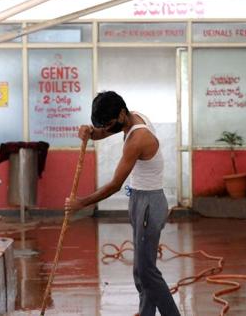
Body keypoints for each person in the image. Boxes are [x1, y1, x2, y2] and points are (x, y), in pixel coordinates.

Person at [65, 91, 180, 316]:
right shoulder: (131, 117)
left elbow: (115, 185)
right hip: (139, 199)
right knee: (141, 269)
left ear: (120, 114)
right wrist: (89, 133)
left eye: (108, 124)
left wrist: (82, 203)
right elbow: (104, 132)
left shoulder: (138, 139)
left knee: (147, 272)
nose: (106, 129)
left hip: (149, 203)